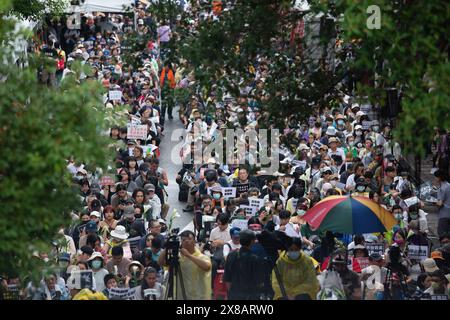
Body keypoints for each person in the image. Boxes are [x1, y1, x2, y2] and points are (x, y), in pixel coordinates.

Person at [158, 230, 212, 300]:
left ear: (194, 241)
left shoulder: (202, 257)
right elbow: (161, 262)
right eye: (183, 240)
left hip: (198, 296)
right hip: (180, 295)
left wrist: (189, 255)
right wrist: (167, 247)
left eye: (189, 239)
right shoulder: (178, 258)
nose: (186, 241)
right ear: (181, 243)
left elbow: (207, 267)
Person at [224, 229, 266, 299]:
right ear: (252, 241)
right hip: (251, 296)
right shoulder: (256, 259)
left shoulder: (231, 255)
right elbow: (260, 282)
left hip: (234, 295)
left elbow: (227, 279)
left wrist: (231, 294)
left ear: (240, 240)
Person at [435, 170, 450, 237]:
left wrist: (434, 201)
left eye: (436, 177)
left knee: (442, 234)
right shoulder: (448, 185)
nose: (435, 179)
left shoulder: (442, 188)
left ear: (439, 178)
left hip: (444, 214)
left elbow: (440, 203)